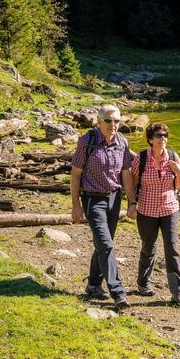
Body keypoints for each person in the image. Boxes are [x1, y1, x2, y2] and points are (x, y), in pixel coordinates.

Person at [70, 104, 136, 310]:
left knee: (103, 244)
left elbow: (125, 174)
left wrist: (132, 202)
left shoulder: (122, 142)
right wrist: (75, 205)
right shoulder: (87, 141)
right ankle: (118, 293)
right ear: (99, 122)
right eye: (108, 121)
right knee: (106, 244)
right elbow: (75, 174)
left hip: (114, 199)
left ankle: (93, 284)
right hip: (92, 200)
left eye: (117, 121)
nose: (113, 125)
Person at [126, 122, 180, 307]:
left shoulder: (173, 157)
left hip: (169, 210)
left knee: (172, 249)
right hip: (146, 210)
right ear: (150, 139)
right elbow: (134, 182)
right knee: (148, 247)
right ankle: (144, 284)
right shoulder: (141, 158)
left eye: (165, 136)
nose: (163, 139)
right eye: (159, 136)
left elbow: (178, 186)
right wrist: (132, 204)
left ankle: (178, 293)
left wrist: (179, 173)